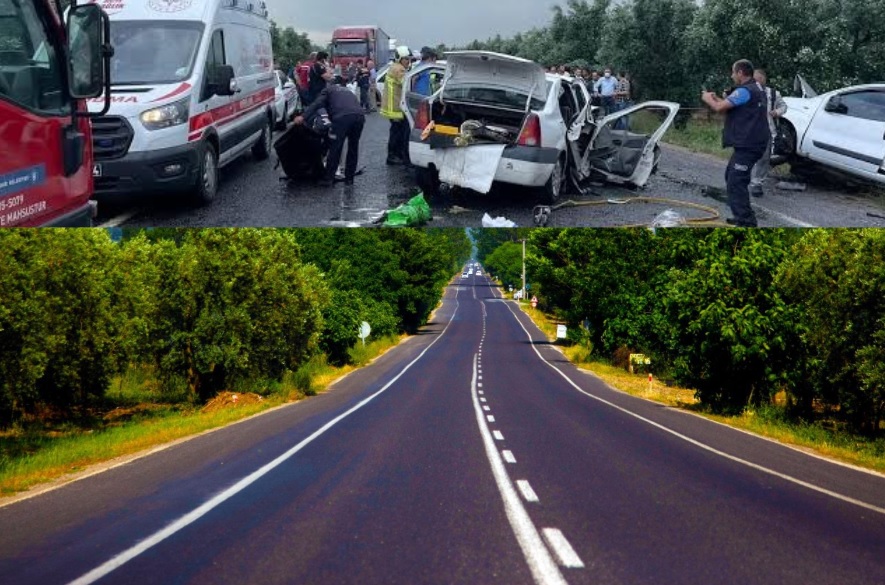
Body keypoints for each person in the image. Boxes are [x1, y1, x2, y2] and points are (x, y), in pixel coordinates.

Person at [702, 59, 771, 227]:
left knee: (736, 181)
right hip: (752, 143)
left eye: (733, 72)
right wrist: (717, 98)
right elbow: (730, 105)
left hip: (750, 145)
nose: (732, 76)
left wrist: (707, 98)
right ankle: (741, 216)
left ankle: (747, 222)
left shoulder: (745, 91)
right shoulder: (755, 88)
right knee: (731, 176)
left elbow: (718, 108)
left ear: (740, 73)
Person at [294, 72, 366, 186]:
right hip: (359, 117)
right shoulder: (348, 91)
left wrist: (302, 117)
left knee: (335, 147)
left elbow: (316, 104)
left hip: (342, 118)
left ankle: (328, 178)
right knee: (353, 147)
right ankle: (349, 179)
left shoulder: (328, 90)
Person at [749, 69, 788, 198]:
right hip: (750, 131)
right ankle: (742, 179)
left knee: (764, 158)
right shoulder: (747, 92)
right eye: (755, 79)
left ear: (764, 79)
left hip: (767, 131)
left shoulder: (773, 93)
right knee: (747, 156)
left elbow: (784, 107)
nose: (757, 82)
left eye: (759, 79)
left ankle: (757, 183)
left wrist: (777, 112)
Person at [380, 46, 412, 166]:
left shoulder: (395, 67)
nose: (408, 62)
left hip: (393, 105)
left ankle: (395, 155)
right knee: (397, 133)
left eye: (409, 59)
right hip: (395, 107)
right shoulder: (399, 69)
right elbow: (406, 83)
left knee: (396, 132)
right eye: (406, 59)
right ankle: (392, 156)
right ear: (399, 59)